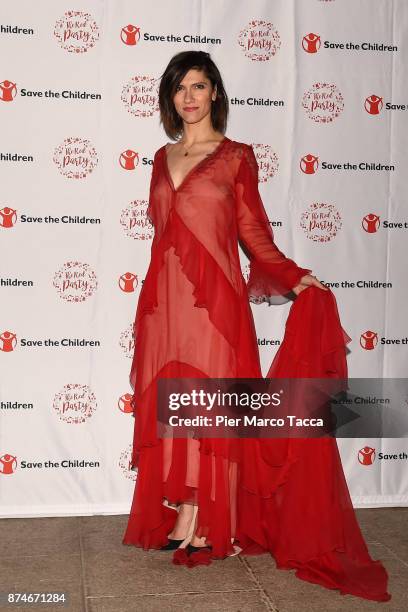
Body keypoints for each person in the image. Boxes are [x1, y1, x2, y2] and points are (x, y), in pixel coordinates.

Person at [123, 51, 391, 602]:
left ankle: (203, 518)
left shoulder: (236, 157)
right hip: (163, 304)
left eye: (199, 86)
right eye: (179, 88)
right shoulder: (160, 156)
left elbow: (253, 234)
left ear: (215, 93)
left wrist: (293, 279)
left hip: (215, 309)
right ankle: (185, 508)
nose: (189, 98)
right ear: (170, 98)